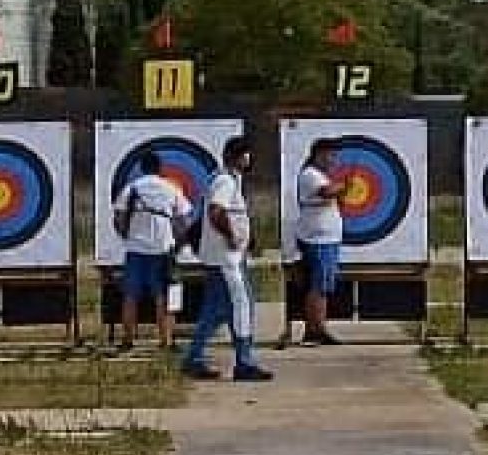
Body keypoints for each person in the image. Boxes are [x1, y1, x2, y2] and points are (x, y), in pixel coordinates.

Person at [183, 136, 273, 382]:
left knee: (214, 310)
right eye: (247, 154)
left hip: (220, 256)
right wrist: (233, 237)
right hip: (227, 257)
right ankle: (244, 363)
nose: (250, 159)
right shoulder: (225, 180)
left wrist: (245, 238)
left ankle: (193, 359)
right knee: (243, 303)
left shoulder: (222, 178)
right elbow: (216, 212)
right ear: (240, 156)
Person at [113, 150, 192, 352]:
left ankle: (127, 340)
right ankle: (165, 341)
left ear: (142, 168)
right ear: (160, 169)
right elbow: (183, 220)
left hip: (135, 249)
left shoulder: (131, 188)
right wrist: (180, 243)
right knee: (163, 296)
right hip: (163, 249)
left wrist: (127, 236)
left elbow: (120, 219)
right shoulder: (170, 188)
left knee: (131, 296)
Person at [294, 138, 345, 346]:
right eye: (331, 155)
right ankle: (315, 330)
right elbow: (327, 192)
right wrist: (345, 185)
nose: (334, 160)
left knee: (322, 286)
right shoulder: (310, 174)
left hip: (326, 238)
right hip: (319, 239)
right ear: (319, 155)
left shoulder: (319, 175)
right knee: (319, 286)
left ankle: (317, 328)